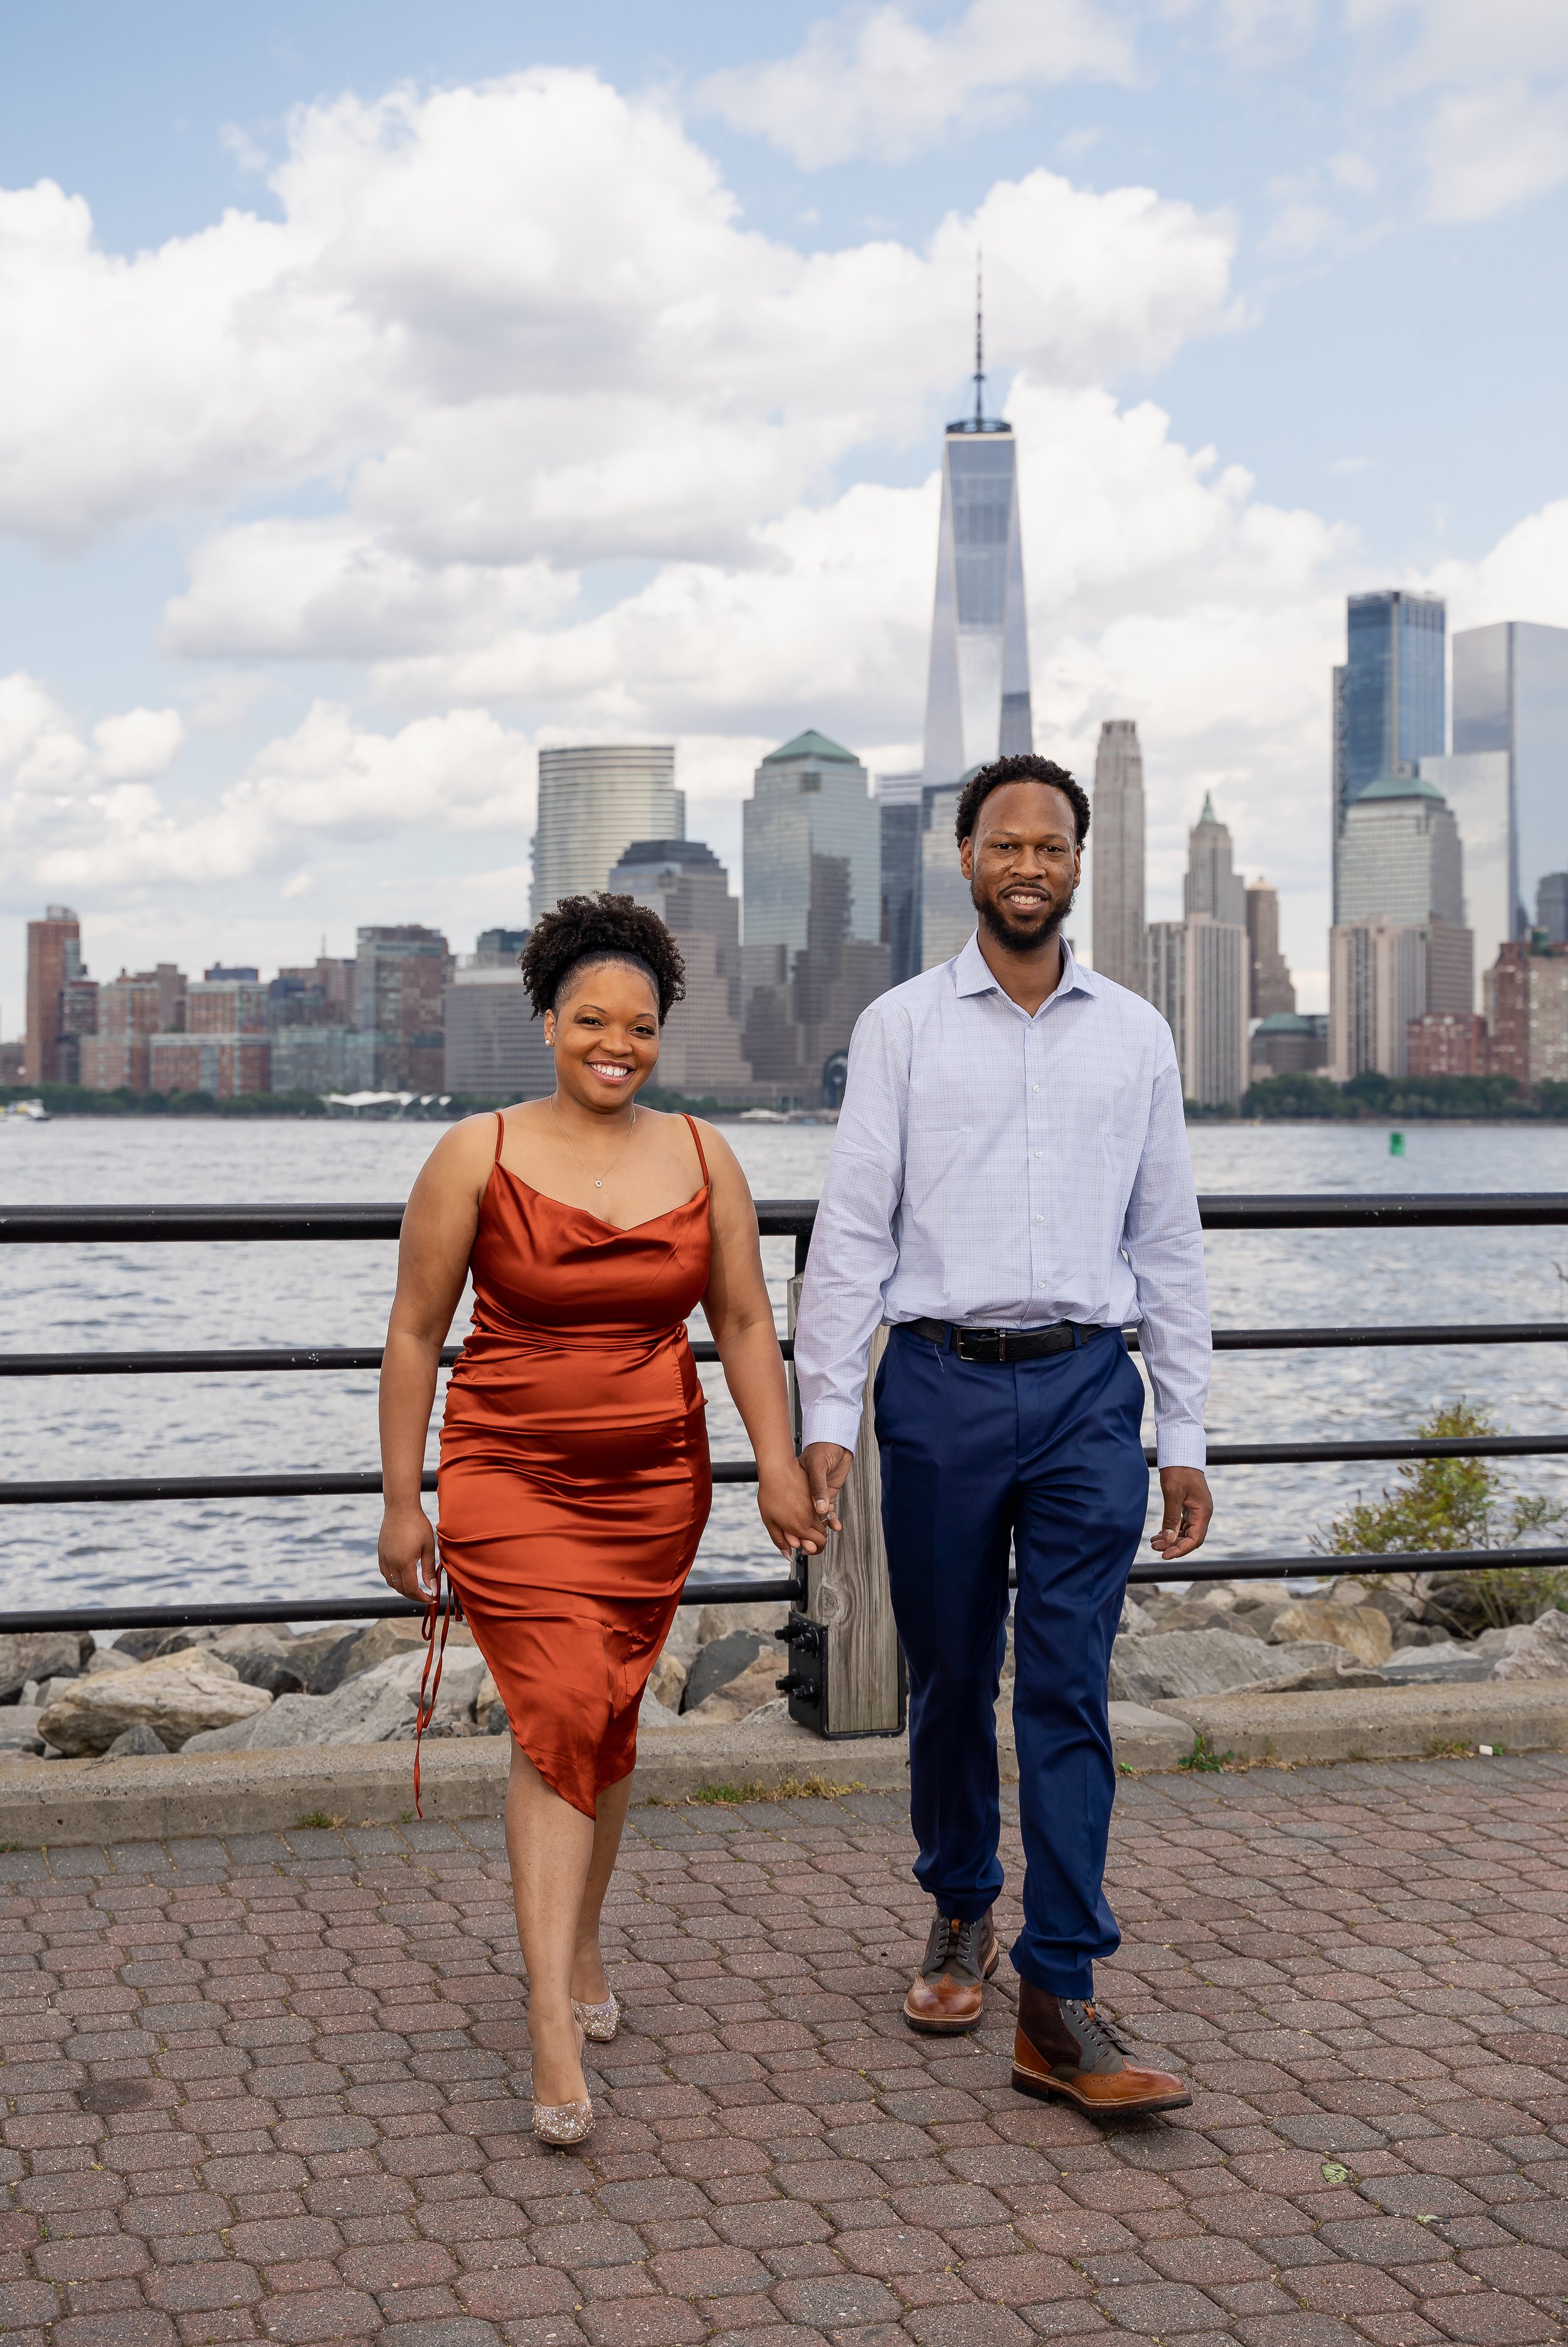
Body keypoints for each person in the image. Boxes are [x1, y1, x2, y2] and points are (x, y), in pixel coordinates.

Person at [794, 753, 1212, 2121]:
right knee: (947, 1677)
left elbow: (1167, 1244)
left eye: (1051, 846)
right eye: (1002, 843)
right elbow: (849, 1233)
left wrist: (1184, 1431)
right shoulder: (903, 1028)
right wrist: (824, 1423)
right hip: (937, 1389)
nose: (1027, 864)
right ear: (962, 859)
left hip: (1090, 1393)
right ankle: (959, 1906)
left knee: (1067, 1690)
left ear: (1076, 866)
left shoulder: (1134, 1036)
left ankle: (1059, 1988)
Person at [377, 894, 823, 2147]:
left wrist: (772, 1464)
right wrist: (402, 1499)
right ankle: (548, 2023)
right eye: (589, 1021)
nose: (614, 1044)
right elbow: (416, 1331)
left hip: (652, 1487)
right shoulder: (475, 1152)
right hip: (507, 1475)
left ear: (660, 1033)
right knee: (562, 1707)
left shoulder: (701, 1155)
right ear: (547, 1022)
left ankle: (576, 1947)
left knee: (607, 1716)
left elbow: (740, 1321)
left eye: (637, 1025)